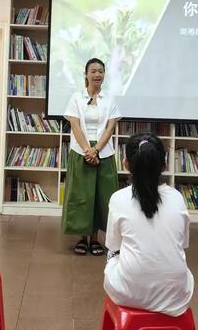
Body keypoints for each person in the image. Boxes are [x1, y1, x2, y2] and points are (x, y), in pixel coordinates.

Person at [104, 133, 194, 316]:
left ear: (126, 164)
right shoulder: (177, 198)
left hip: (128, 294)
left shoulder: (118, 199)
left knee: (113, 253)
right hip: (176, 298)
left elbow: (113, 245)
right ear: (164, 165)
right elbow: (183, 244)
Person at [62, 58, 121, 256]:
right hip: (81, 151)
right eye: (93, 71)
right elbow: (75, 125)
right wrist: (88, 149)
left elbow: (110, 127)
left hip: (104, 153)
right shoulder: (76, 98)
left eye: (101, 71)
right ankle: (82, 238)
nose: (97, 75)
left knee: (100, 197)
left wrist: (97, 150)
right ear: (85, 74)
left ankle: (95, 239)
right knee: (81, 196)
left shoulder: (110, 99)